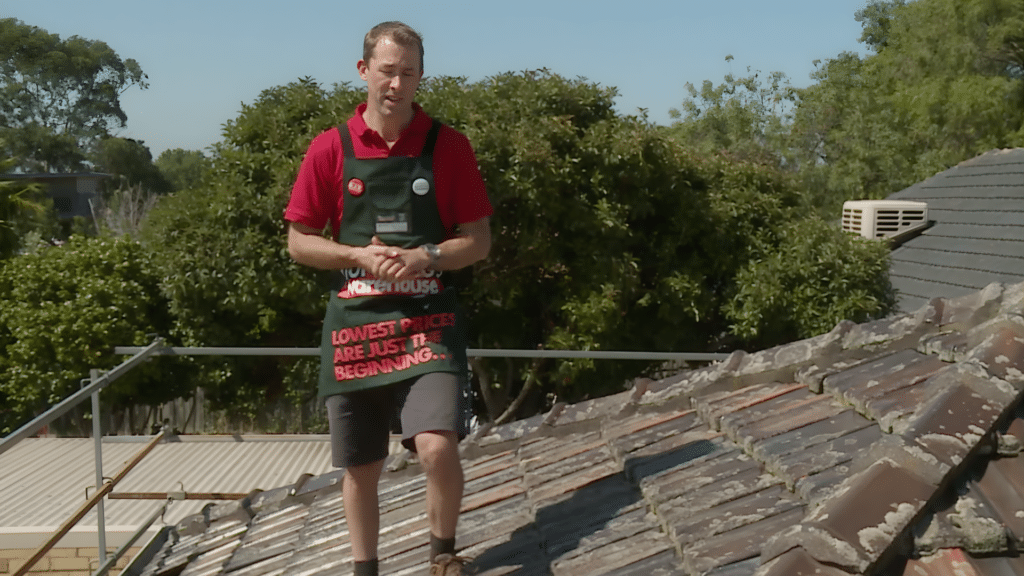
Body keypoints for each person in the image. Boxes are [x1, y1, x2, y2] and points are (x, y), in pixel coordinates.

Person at [284, 21, 492, 576]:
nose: (396, 84)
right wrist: (357, 256)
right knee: (361, 465)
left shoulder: (449, 147)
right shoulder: (330, 148)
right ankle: (365, 568)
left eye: (408, 72)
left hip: (429, 320)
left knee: (438, 446)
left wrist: (428, 257)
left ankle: (442, 557)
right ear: (363, 71)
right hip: (355, 325)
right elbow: (299, 242)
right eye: (386, 70)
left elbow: (478, 240)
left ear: (421, 75)